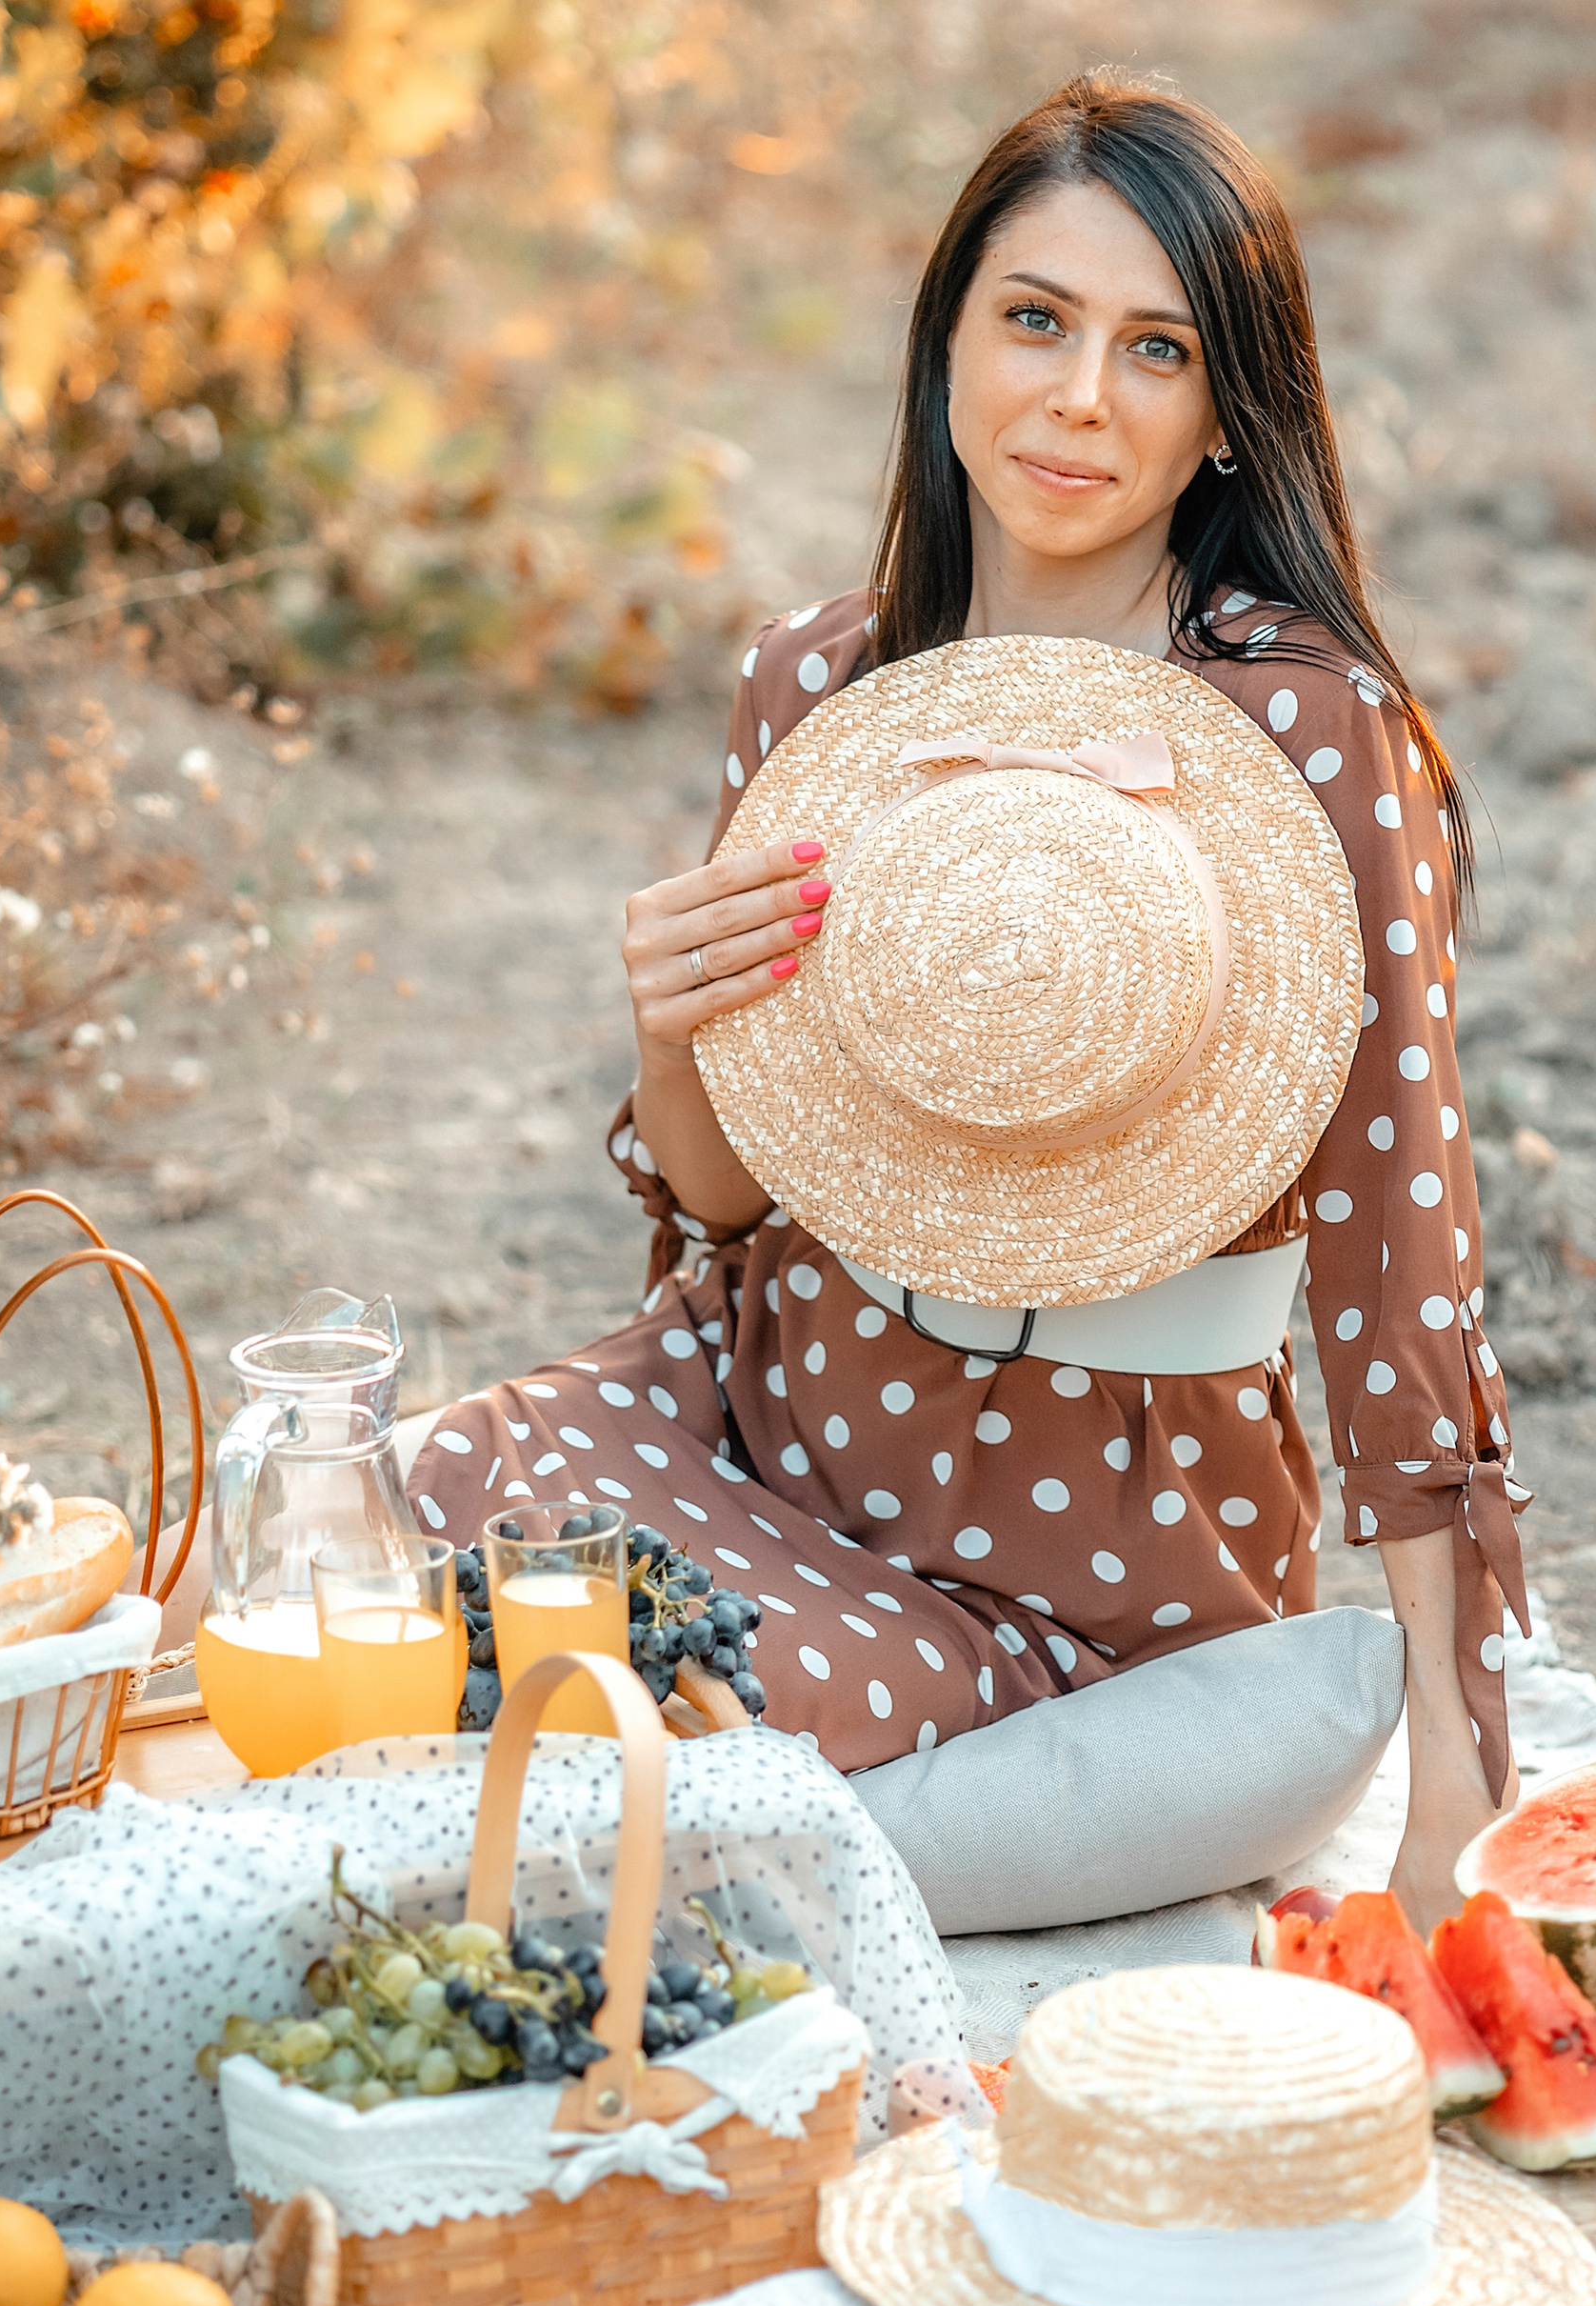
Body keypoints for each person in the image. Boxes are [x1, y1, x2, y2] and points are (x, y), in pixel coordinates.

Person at [407, 74, 1528, 1925]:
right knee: (377, 1535)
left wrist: (1456, 1772)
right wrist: (672, 1032)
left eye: (1152, 348)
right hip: (775, 1408)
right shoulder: (817, 679)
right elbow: (725, 1198)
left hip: (1099, 1527)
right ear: (945, 349)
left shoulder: (1304, 731)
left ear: (1224, 416)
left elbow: (1396, 1243)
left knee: (628, 1732)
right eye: (1033, 319)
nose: (1077, 397)